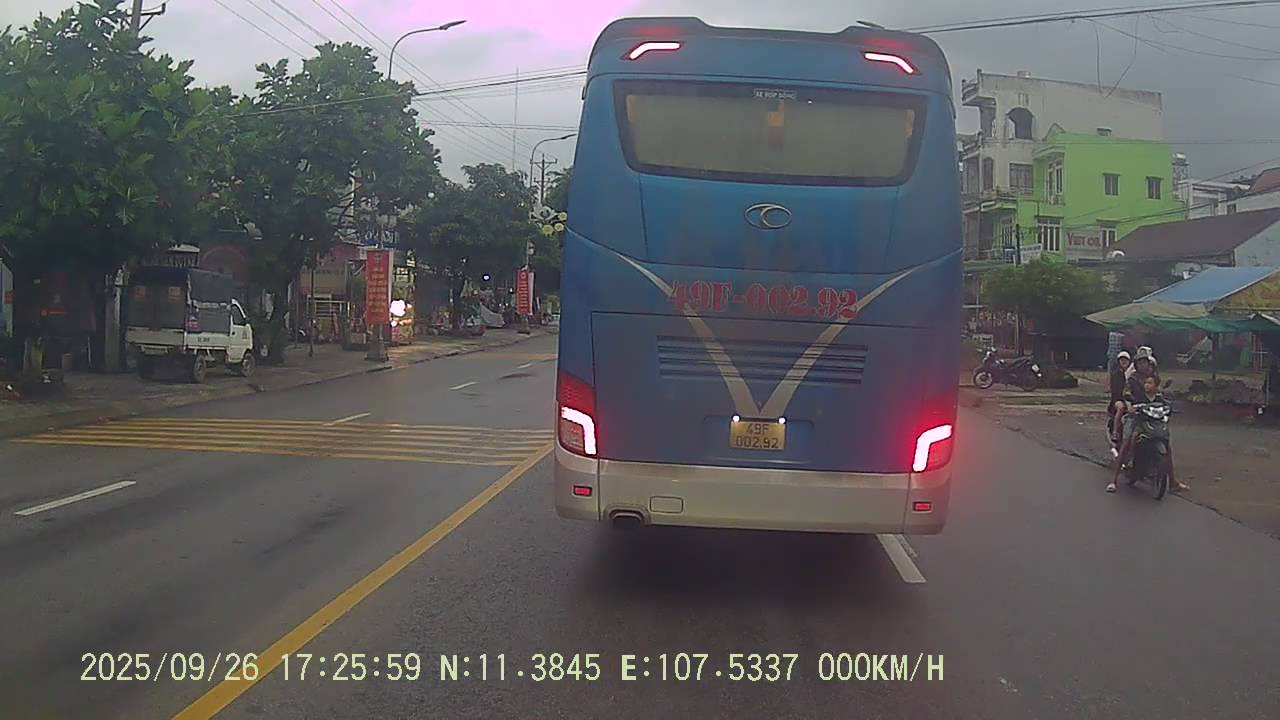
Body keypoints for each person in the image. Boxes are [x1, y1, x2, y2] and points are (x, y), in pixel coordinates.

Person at [1107, 372, 1188, 493]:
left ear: (1157, 386)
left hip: (1153, 426)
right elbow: (1129, 402)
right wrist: (1131, 408)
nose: (1146, 385)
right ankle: (1114, 481)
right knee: (1128, 441)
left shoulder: (1160, 399)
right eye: (1146, 383)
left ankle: (1172, 482)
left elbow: (1167, 408)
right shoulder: (1139, 396)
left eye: (1150, 383)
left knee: (1168, 447)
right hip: (1136, 423)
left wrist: (1171, 410)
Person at [1107, 351, 1132, 443]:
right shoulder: (1116, 374)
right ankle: (1115, 431)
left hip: (1131, 399)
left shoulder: (1132, 374)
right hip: (1118, 399)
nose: (1124, 362)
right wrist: (1125, 399)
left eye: (1126, 360)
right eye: (1122, 360)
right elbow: (1116, 390)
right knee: (1121, 407)